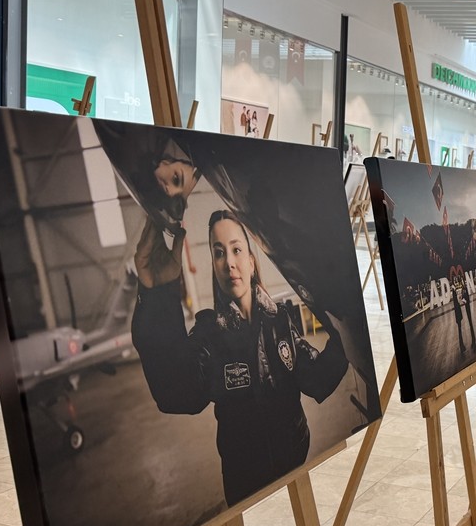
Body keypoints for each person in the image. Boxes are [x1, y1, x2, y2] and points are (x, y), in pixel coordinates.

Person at [132, 209, 349, 505]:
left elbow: (316, 378)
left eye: (236, 250)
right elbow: (176, 393)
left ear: (251, 261)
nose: (229, 262)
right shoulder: (209, 335)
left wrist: (347, 332)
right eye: (219, 253)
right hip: (246, 487)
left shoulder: (280, 321)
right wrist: (157, 295)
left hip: (296, 464)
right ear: (214, 266)